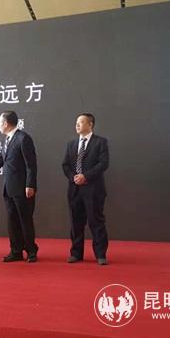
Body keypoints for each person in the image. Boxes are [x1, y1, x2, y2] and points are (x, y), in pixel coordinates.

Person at [0, 111, 38, 263]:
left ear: (6, 123)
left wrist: (30, 185)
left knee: (25, 220)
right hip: (9, 187)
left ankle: (31, 251)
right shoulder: (8, 139)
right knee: (12, 220)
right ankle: (16, 251)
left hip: (22, 188)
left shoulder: (23, 138)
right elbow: (1, 160)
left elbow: (31, 164)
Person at [62, 113, 109, 265]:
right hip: (74, 189)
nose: (77, 125)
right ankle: (76, 253)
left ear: (90, 124)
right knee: (76, 222)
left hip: (93, 189)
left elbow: (103, 164)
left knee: (96, 221)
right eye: (76, 122)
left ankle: (100, 255)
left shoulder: (100, 142)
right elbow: (65, 165)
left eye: (81, 122)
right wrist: (74, 178)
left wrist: (85, 176)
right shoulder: (71, 144)